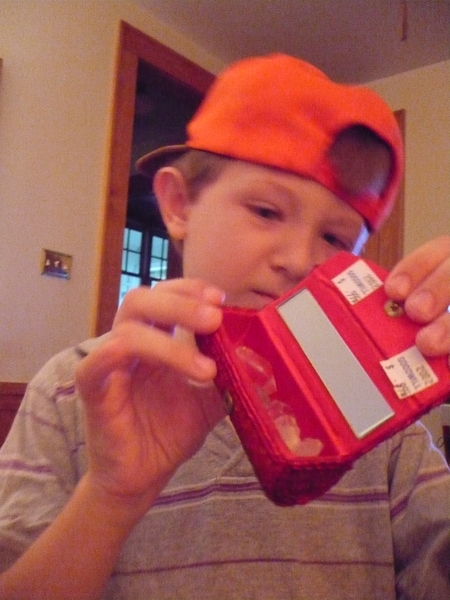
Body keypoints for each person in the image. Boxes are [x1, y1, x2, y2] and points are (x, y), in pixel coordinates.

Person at [0, 54, 449, 600]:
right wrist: (110, 498)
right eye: (265, 211)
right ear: (178, 205)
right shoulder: (75, 391)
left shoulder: (377, 418)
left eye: (335, 239)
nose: (299, 260)